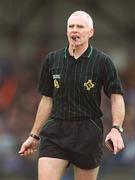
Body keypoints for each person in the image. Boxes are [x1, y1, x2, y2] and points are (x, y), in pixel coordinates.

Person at [19, 10, 125, 180]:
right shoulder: (52, 60)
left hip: (88, 131)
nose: (74, 30)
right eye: (71, 26)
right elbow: (47, 99)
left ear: (90, 32)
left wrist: (116, 129)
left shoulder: (103, 61)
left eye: (80, 26)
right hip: (56, 131)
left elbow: (116, 96)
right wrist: (34, 135)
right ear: (67, 31)